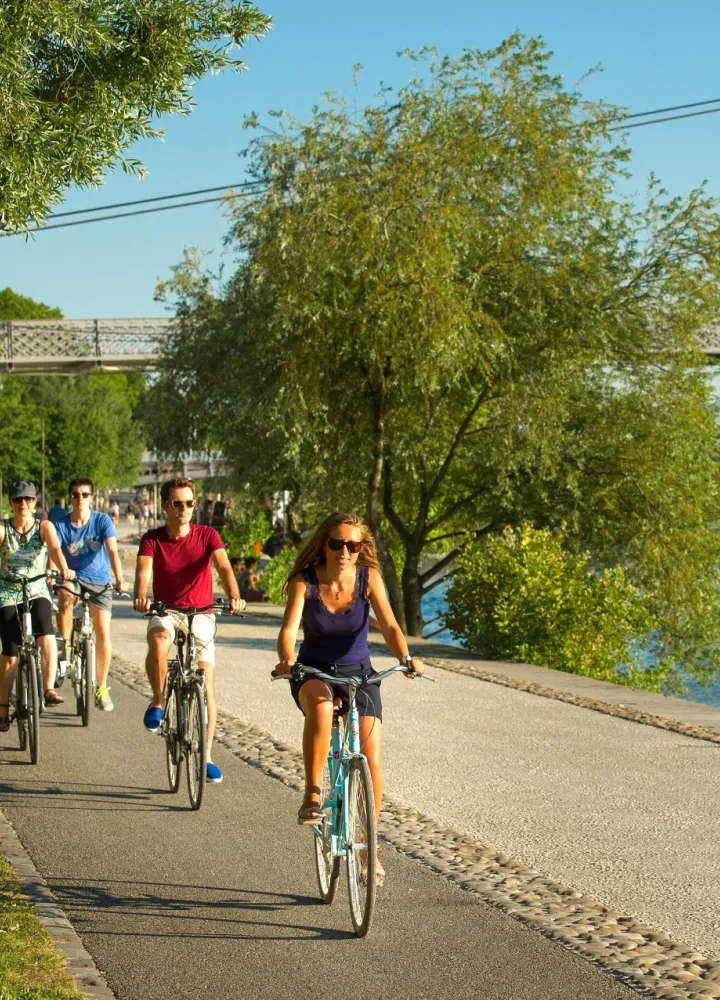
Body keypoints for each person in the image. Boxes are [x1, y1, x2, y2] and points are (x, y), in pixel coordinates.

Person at [274, 511, 423, 886]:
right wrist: (287, 662)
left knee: (372, 758)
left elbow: (389, 624)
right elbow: (289, 629)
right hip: (314, 673)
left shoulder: (368, 579)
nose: (345, 551)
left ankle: (367, 847)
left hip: (360, 673)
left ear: (361, 549)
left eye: (353, 545)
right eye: (337, 543)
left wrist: (405, 658)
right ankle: (311, 793)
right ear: (323, 544)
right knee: (322, 710)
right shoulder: (304, 582)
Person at [134, 476, 244, 784]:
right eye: (178, 504)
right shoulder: (152, 538)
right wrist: (141, 596)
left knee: (206, 681)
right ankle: (158, 700)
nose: (184, 509)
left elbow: (223, 567)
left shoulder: (207, 535)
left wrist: (233, 594)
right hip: (166, 610)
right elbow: (143, 571)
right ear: (165, 506)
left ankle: (206, 755)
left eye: (189, 504)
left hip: (201, 613)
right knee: (158, 642)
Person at [0, 481, 74, 732]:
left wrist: (63, 567)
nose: (24, 504)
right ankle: (2, 708)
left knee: (47, 635)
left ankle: (48, 688)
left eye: (29, 500)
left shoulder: (44, 526)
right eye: (18, 500)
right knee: (10, 651)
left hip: (36, 588)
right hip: (8, 591)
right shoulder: (3, 529)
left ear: (35, 503)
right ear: (11, 503)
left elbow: (54, 548)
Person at [53, 477, 126, 712]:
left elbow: (113, 550)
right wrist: (54, 573)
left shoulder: (102, 520)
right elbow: (54, 552)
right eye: (75, 494)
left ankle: (102, 687)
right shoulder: (61, 524)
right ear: (69, 498)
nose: (80, 498)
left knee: (103, 631)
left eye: (85, 494)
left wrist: (120, 578)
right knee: (65, 597)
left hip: (100, 582)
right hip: (73, 578)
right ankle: (64, 650)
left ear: (91, 498)